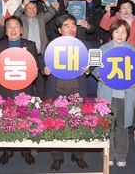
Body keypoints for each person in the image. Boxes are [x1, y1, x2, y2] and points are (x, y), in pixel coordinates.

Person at [0, 16, 40, 166]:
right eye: (9, 27)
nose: (13, 30)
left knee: (25, 119)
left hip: (25, 89)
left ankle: (26, 149)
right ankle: (8, 149)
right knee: (7, 119)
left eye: (16, 27)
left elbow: (35, 66)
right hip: (5, 89)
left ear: (22, 30)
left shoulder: (30, 45)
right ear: (5, 31)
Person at [43, 14, 90, 171]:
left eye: (73, 25)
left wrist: (89, 69)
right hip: (57, 91)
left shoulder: (84, 46)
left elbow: (95, 65)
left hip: (77, 91)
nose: (71, 28)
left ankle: (78, 155)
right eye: (67, 25)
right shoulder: (51, 46)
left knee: (78, 124)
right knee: (56, 124)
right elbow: (41, 65)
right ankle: (57, 156)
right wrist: (45, 70)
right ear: (59, 29)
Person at [94, 20, 135, 168]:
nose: (120, 35)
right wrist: (100, 76)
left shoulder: (132, 49)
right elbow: (94, 68)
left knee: (123, 127)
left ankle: (121, 155)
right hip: (108, 93)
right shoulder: (103, 48)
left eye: (123, 32)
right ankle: (109, 153)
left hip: (125, 94)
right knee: (108, 126)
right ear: (111, 33)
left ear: (127, 34)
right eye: (117, 32)